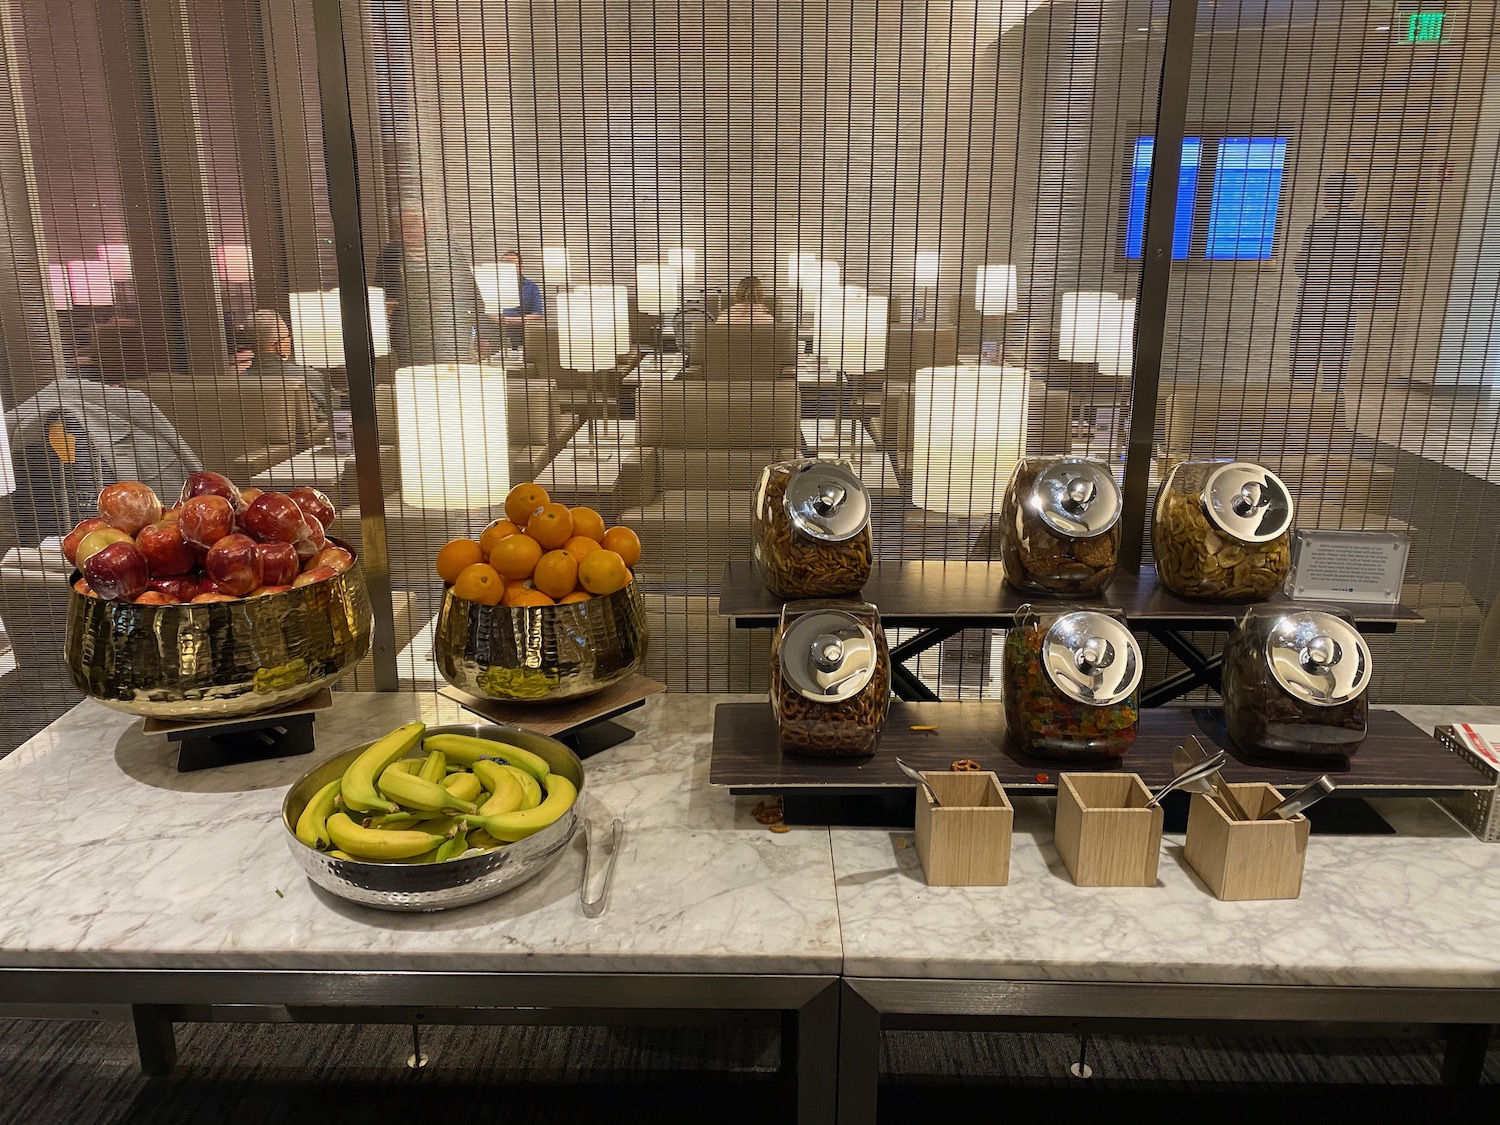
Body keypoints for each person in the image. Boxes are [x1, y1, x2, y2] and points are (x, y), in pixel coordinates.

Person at [1290, 174, 1388, 404]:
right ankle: (1331, 403)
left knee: (1306, 349)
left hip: (1313, 298)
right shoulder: (1371, 231)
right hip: (1345, 298)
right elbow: (1370, 272)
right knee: (1338, 348)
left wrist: (1298, 261)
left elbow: (1305, 269)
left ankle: (1300, 403)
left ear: (1327, 196)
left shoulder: (1316, 229)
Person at [376, 206, 482, 366]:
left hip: (448, 334)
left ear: (425, 225)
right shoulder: (390, 254)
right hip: (408, 337)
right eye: (402, 227)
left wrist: (482, 332)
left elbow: (471, 292)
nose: (407, 231)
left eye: (412, 225)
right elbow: (380, 291)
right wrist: (383, 306)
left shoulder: (448, 251)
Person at [241, 309, 335, 423]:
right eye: (287, 336)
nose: (290, 340)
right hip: (311, 438)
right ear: (278, 345)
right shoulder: (306, 376)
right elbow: (335, 405)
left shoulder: (238, 382)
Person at [499, 250, 545, 351]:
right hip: (497, 331)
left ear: (521, 267)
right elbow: (486, 311)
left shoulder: (531, 287)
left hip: (522, 332)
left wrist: (516, 320)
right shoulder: (493, 286)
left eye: (512, 264)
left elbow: (538, 314)